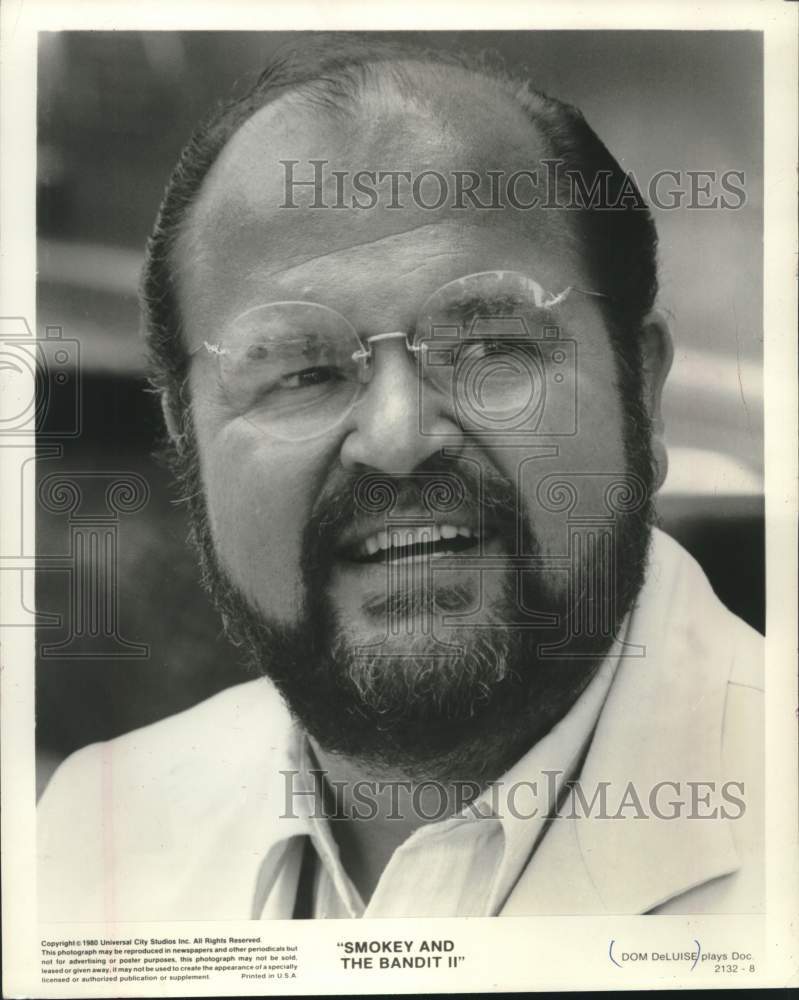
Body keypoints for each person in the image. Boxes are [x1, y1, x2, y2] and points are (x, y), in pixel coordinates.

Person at [38, 37, 763, 920]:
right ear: (185, 441)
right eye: (299, 372)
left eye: (490, 349)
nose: (395, 438)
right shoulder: (87, 831)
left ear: (641, 395)